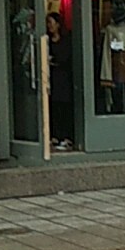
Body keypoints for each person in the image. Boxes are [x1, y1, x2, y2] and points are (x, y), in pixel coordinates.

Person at [46, 12, 73, 150]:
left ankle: (66, 137)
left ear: (58, 24)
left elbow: (65, 58)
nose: (49, 26)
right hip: (51, 79)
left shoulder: (66, 40)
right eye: (48, 23)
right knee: (53, 107)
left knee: (64, 107)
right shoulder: (47, 41)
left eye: (51, 23)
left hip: (63, 78)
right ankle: (54, 135)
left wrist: (54, 60)